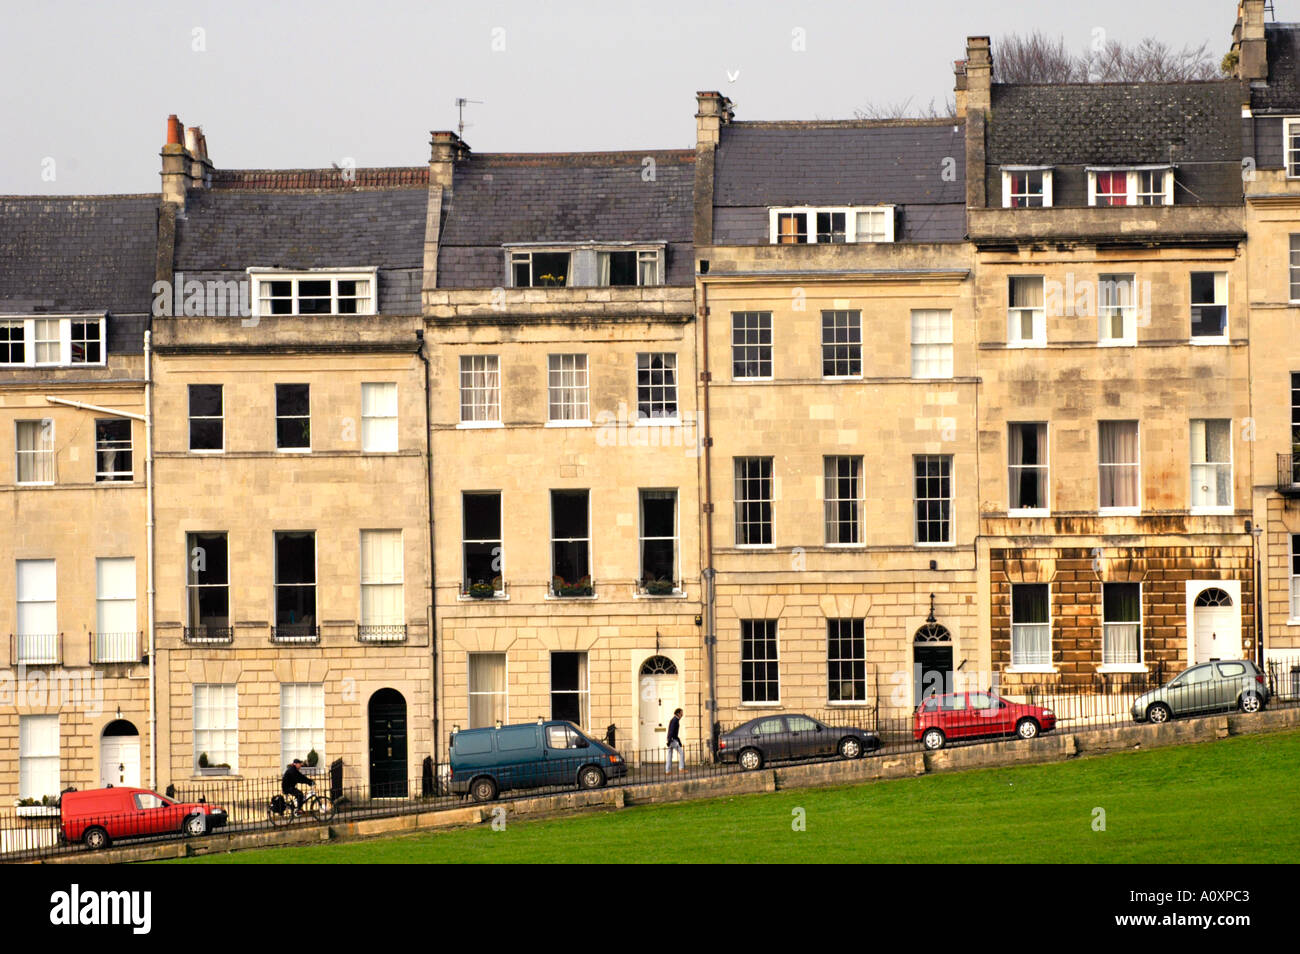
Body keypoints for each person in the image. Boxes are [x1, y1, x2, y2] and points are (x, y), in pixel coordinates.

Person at [664, 708, 685, 773]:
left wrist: (669, 740)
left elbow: (671, 731)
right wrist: (670, 740)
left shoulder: (675, 720)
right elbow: (672, 731)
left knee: (669, 754)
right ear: (678, 713)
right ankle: (681, 768)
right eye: (681, 713)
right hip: (673, 740)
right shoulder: (675, 720)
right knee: (681, 753)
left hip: (671, 739)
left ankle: (668, 771)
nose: (682, 714)